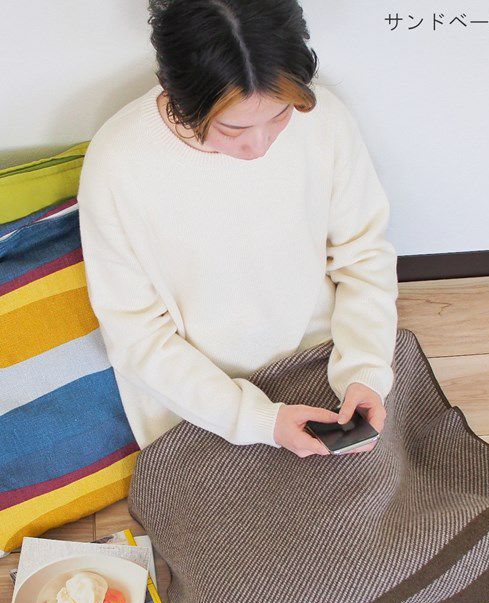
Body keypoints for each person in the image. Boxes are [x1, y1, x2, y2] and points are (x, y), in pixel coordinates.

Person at [77, 0, 399, 458]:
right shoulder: (118, 163)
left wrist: (365, 372)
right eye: (233, 129)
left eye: (280, 116)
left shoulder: (323, 120)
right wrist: (257, 420)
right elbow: (136, 336)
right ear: (177, 93)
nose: (260, 145)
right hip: (199, 406)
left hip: (328, 363)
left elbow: (363, 257)